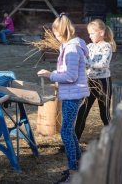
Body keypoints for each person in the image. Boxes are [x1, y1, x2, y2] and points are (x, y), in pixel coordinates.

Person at [37, 13, 90, 184]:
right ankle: (79, 163)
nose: (56, 37)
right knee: (69, 129)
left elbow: (71, 76)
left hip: (73, 94)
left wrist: (50, 75)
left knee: (66, 132)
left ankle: (73, 172)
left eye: (57, 33)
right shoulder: (69, 46)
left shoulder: (72, 49)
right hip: (72, 93)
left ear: (62, 32)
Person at [75, 19, 116, 140]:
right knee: (82, 110)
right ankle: (74, 141)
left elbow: (103, 64)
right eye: (89, 33)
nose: (90, 36)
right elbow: (81, 58)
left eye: (92, 33)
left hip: (103, 82)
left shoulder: (107, 47)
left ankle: (114, 139)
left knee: (104, 114)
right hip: (89, 82)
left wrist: (86, 62)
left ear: (102, 32)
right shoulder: (89, 46)